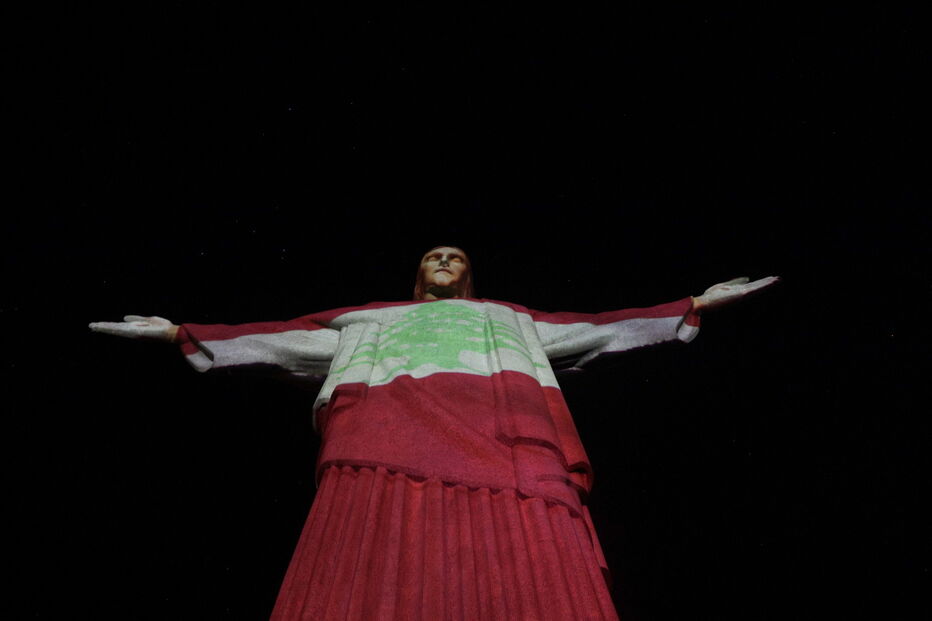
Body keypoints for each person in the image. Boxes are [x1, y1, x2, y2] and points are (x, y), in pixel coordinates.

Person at [90, 246, 778, 620]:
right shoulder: (365, 317)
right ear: (418, 275)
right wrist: (182, 333)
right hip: (384, 441)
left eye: (455, 255)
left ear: (470, 274)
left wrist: (689, 306)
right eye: (433, 255)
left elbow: (598, 326)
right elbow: (270, 338)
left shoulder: (510, 316)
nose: (444, 259)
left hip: (507, 447)